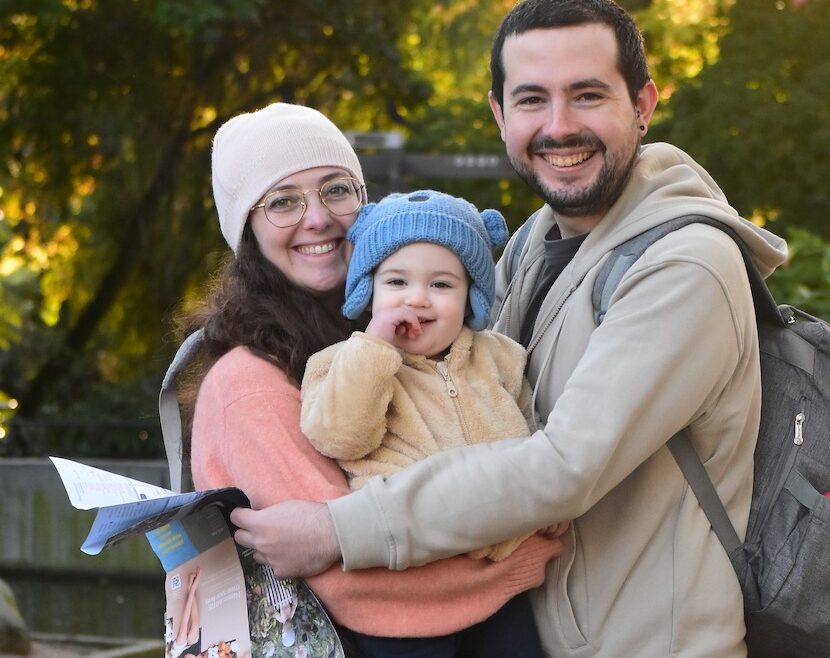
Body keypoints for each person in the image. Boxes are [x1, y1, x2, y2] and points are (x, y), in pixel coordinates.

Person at [231, 1, 789, 655]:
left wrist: (338, 530)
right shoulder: (534, 246)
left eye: (587, 95)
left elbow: (562, 469)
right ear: (500, 116)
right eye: (531, 99)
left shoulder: (687, 265)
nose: (559, 126)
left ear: (642, 105)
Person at [181, 102, 562, 653]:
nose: (318, 218)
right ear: (247, 230)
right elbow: (357, 581)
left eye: (336, 189)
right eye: (283, 201)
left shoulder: (415, 333)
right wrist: (521, 559)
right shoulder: (248, 381)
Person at [300, 189, 564, 655]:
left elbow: (534, 437)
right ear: (368, 292)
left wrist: (552, 503)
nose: (417, 299)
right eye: (397, 282)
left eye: (441, 285)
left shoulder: (500, 358)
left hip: (498, 582)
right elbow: (340, 437)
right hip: (406, 591)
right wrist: (375, 347)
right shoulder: (341, 363)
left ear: (470, 298)